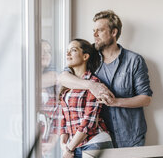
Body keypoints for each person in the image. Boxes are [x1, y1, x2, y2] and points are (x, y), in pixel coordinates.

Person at [58, 10, 153, 148]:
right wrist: (91, 85)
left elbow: (146, 99)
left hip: (131, 137)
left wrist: (116, 102)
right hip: (99, 139)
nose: (95, 35)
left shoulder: (134, 61)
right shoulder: (89, 56)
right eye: (94, 30)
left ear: (114, 32)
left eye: (100, 30)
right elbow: (63, 77)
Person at [51, 39, 113, 158]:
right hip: (75, 145)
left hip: (96, 144)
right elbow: (64, 114)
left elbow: (88, 122)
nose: (68, 54)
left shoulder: (95, 84)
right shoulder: (68, 81)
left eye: (73, 50)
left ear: (85, 56)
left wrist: (70, 147)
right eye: (67, 50)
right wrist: (63, 139)